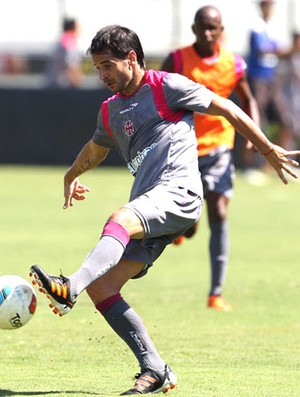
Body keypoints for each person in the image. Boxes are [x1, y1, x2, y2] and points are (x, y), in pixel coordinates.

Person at [29, 25, 299, 395]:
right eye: (97, 68)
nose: (103, 75)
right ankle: (155, 369)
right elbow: (96, 148)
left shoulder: (165, 86)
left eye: (108, 65)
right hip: (151, 204)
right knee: (105, 287)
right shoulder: (109, 110)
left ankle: (70, 287)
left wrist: (267, 149)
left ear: (132, 58)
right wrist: (71, 173)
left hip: (179, 193)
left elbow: (227, 107)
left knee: (119, 219)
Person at [161, 5, 260, 311]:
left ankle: (215, 293)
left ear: (221, 30)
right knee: (189, 220)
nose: (207, 33)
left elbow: (247, 98)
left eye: (213, 28)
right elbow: (157, 95)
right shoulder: (177, 60)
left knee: (219, 210)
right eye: (202, 27)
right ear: (193, 29)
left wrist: (253, 137)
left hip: (218, 148)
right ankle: (187, 227)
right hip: (183, 149)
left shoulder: (233, 63)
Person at [246, 0, 293, 151]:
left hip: (271, 79)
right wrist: (288, 51)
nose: (270, 9)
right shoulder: (256, 27)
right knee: (257, 121)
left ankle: (279, 159)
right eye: (267, 5)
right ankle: (251, 164)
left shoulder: (272, 29)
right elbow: (263, 50)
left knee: (285, 120)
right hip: (258, 79)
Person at [275, 31, 300, 151]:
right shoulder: (286, 58)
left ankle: (291, 156)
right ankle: (279, 155)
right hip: (286, 99)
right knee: (286, 128)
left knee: (294, 130)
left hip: (296, 99)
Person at [45, 17, 83, 88]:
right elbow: (70, 64)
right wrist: (76, 81)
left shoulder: (62, 39)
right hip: (60, 86)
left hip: (53, 83)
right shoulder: (68, 39)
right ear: (73, 27)